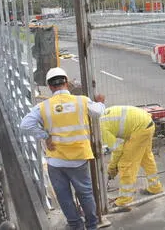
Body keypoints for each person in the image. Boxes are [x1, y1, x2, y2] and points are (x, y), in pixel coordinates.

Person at [20, 67, 105, 230]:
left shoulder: (43, 107)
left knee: (64, 196)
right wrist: (100, 102)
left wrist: (45, 135)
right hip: (79, 158)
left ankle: (75, 225)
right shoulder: (82, 101)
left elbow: (25, 125)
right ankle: (92, 225)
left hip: (56, 161)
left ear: (50, 86)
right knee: (85, 193)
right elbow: (98, 113)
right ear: (67, 83)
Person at [100, 105, 163, 208]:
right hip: (147, 123)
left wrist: (112, 169)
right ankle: (155, 187)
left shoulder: (101, 129)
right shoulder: (100, 117)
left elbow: (118, 150)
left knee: (126, 164)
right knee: (146, 158)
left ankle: (125, 201)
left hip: (140, 129)